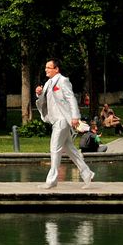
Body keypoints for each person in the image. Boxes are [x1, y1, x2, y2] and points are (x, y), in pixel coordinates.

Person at [35, 58, 94, 189]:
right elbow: (43, 101)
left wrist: (75, 116)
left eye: (49, 67)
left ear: (56, 69)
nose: (46, 70)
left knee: (54, 148)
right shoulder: (48, 83)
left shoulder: (63, 81)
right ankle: (87, 173)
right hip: (55, 120)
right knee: (70, 150)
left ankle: (52, 180)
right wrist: (38, 94)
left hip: (62, 120)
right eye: (46, 67)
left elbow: (71, 98)